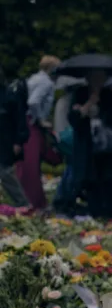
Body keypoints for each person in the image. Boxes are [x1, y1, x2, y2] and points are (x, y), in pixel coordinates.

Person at [66, 70, 112, 217]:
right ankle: (95, 211)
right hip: (87, 143)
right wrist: (88, 105)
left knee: (109, 179)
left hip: (106, 145)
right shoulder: (80, 93)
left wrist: (101, 112)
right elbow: (73, 118)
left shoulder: (108, 94)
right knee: (90, 179)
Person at [17, 55, 60, 209]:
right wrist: (41, 119)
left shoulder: (34, 78)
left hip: (25, 121)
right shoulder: (46, 82)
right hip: (32, 123)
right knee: (32, 163)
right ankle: (35, 201)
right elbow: (33, 101)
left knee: (26, 162)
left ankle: (31, 200)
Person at [0, 67, 30, 207]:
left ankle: (23, 203)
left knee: (6, 173)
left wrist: (19, 141)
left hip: (6, 140)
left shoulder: (9, 95)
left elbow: (19, 119)